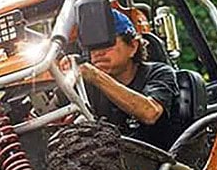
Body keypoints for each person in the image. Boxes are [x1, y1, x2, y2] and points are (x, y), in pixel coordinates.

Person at [73, 9, 183, 151]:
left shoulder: (159, 73)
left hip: (158, 164)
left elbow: (150, 112)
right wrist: (61, 76)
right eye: (93, 47)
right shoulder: (86, 85)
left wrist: (96, 76)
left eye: (107, 44)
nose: (98, 53)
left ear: (132, 46)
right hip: (103, 163)